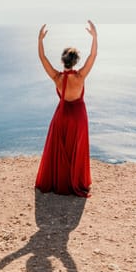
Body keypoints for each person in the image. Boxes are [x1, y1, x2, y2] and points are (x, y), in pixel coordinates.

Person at [35, 21, 98, 198]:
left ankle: (58, 181)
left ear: (63, 61)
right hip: (78, 116)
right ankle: (76, 182)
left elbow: (42, 58)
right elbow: (93, 55)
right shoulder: (80, 76)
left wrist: (40, 40)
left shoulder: (56, 77)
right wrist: (95, 36)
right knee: (76, 149)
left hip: (61, 115)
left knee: (59, 149)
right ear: (76, 61)